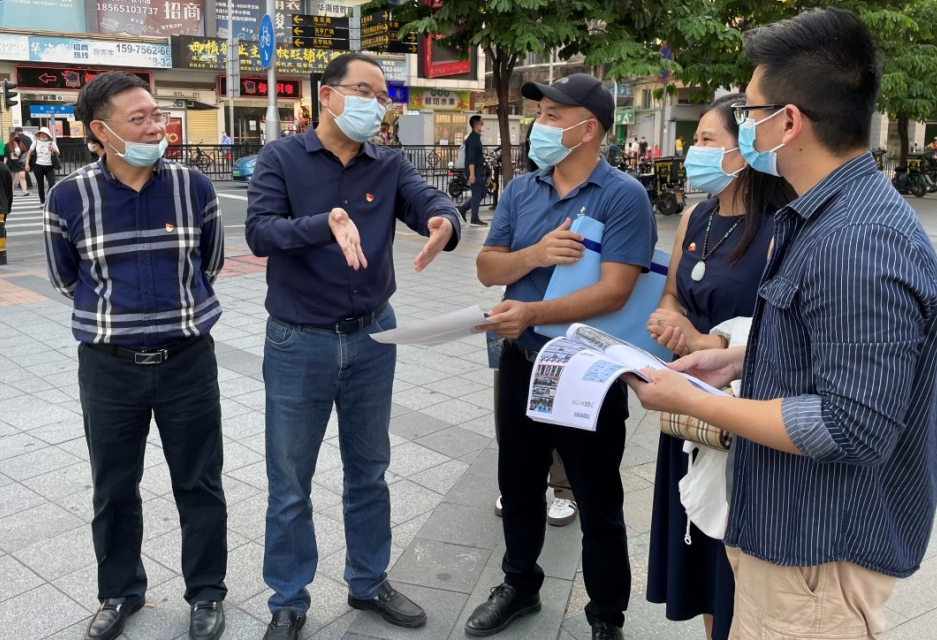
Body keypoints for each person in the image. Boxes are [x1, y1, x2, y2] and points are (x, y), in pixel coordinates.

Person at [626, 7, 937, 640]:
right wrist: (737, 359)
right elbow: (827, 350)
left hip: (816, 560)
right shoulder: (824, 215)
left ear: (789, 122)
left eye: (750, 113)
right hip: (793, 538)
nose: (745, 126)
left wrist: (694, 401)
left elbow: (851, 424)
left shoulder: (857, 238)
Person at [245, 51, 461, 640]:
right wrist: (324, 223)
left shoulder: (387, 164)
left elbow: (426, 199)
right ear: (328, 95)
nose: (376, 104)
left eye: (381, 95)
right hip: (298, 340)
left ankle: (368, 581)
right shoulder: (281, 158)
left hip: (372, 336)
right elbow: (260, 232)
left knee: (369, 470)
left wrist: (444, 220)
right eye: (364, 91)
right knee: (290, 480)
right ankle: (288, 600)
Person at [464, 73, 656, 640]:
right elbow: (488, 267)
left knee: (597, 498)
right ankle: (519, 584)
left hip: (587, 369)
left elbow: (615, 291)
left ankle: (606, 615)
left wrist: (530, 312)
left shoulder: (623, 195)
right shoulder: (523, 189)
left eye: (552, 115)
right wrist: (534, 255)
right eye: (539, 114)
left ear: (587, 128)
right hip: (522, 361)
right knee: (519, 483)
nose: (538, 125)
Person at [44, 72, 228, 640]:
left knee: (199, 482)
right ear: (101, 131)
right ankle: (120, 591)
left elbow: (210, 262)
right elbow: (66, 278)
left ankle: (206, 592)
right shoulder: (68, 197)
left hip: (187, 360)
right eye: (139, 119)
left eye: (157, 115)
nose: (155, 127)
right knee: (114, 487)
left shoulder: (194, 186)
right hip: (109, 367)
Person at [644, 95, 794, 640]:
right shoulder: (695, 216)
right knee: (702, 559)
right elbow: (671, 293)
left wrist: (707, 341)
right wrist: (670, 319)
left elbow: (783, 332)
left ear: (744, 149)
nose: (694, 151)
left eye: (708, 140)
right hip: (688, 409)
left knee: (734, 559)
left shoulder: (782, 228)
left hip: (742, 414)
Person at [458, 114, 489, 225]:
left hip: (478, 170)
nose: (483, 124)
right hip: (473, 170)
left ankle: (463, 209)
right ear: (476, 125)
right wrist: (472, 174)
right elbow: (471, 158)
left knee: (483, 192)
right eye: (481, 122)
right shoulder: (472, 139)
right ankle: (474, 218)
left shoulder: (476, 137)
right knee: (477, 193)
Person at [26, 127, 59, 204]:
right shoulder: (36, 142)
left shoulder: (52, 143)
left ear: (48, 135)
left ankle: (48, 197)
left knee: (52, 183)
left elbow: (58, 153)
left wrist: (54, 149)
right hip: (38, 166)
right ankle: (42, 201)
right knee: (40, 184)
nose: (43, 135)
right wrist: (27, 164)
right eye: (41, 133)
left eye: (44, 134)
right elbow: (29, 153)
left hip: (49, 166)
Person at [6, 130, 30, 196]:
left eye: (17, 136)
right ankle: (11, 192)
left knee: (22, 176)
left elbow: (24, 153)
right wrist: (4, 164)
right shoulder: (7, 145)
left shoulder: (20, 144)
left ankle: (25, 191)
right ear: (12, 137)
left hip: (19, 163)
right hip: (11, 163)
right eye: (15, 136)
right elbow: (6, 156)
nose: (17, 137)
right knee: (11, 179)